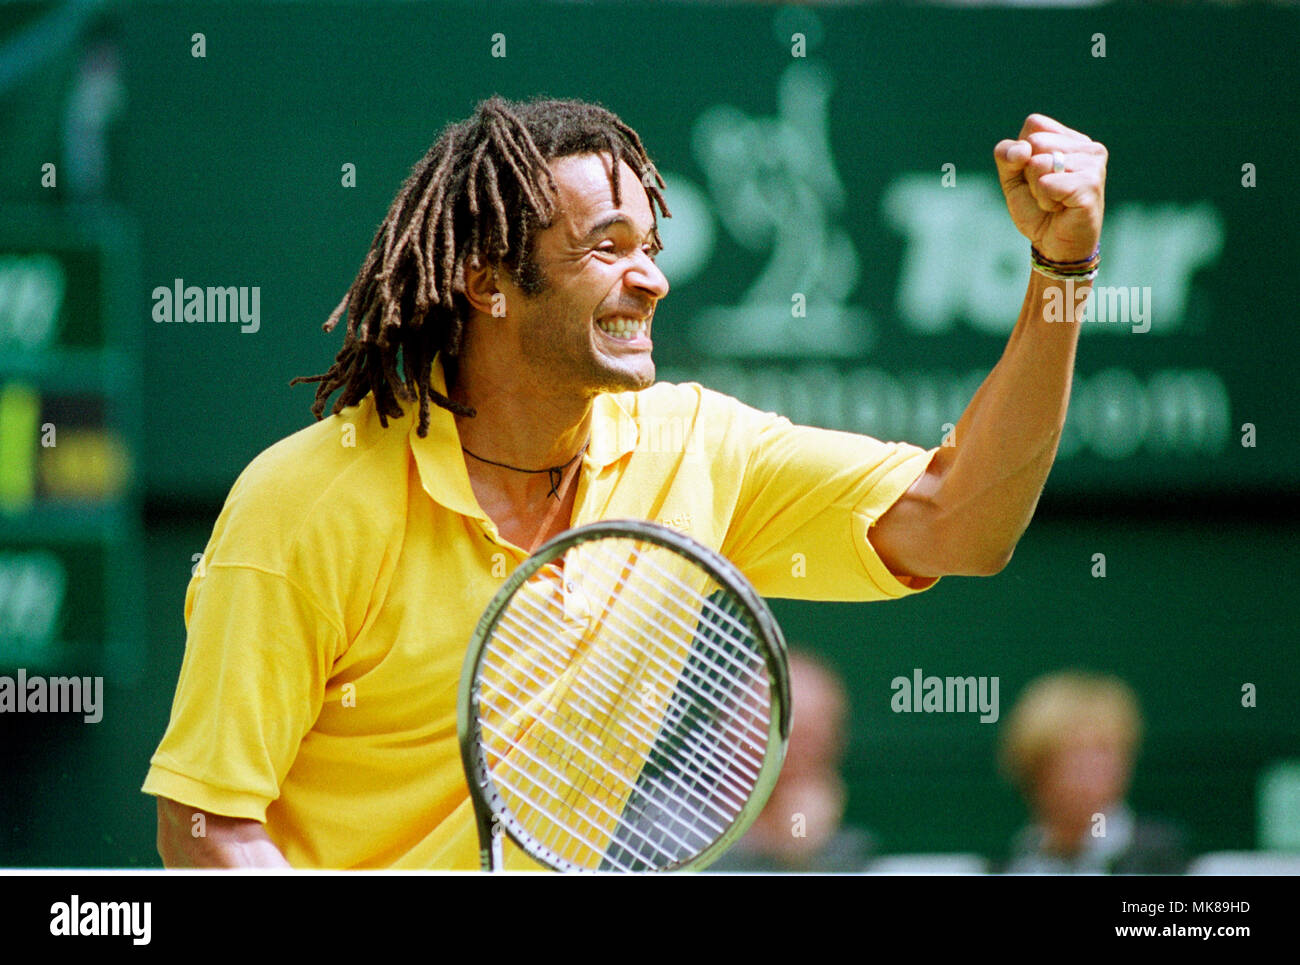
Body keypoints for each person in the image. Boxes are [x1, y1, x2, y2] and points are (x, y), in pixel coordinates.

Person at [143, 94, 1108, 868]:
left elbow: (963, 523)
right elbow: (208, 829)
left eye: (653, 246)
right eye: (608, 246)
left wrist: (1062, 270)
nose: (650, 277)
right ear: (489, 280)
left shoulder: (696, 445)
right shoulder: (304, 504)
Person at [998, 670, 1189, 874]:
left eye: (1104, 752)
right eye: (1073, 756)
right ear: (1035, 769)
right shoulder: (1017, 861)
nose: (1091, 772)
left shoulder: (1162, 857)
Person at [709, 650, 877, 872]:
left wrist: (800, 841)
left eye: (807, 737)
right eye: (769, 728)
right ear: (730, 726)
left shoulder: (847, 850)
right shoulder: (665, 822)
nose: (789, 753)